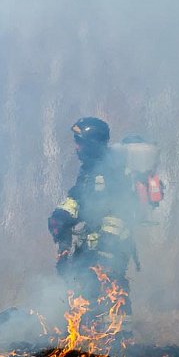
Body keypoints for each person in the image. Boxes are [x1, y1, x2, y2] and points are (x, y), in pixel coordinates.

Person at [48, 117, 136, 317]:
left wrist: (107, 243)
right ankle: (87, 335)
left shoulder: (114, 170)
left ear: (91, 144)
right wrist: (61, 215)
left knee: (111, 289)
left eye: (80, 142)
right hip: (93, 240)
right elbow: (78, 197)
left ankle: (120, 340)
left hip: (111, 243)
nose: (76, 147)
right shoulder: (89, 169)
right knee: (85, 290)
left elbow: (122, 209)